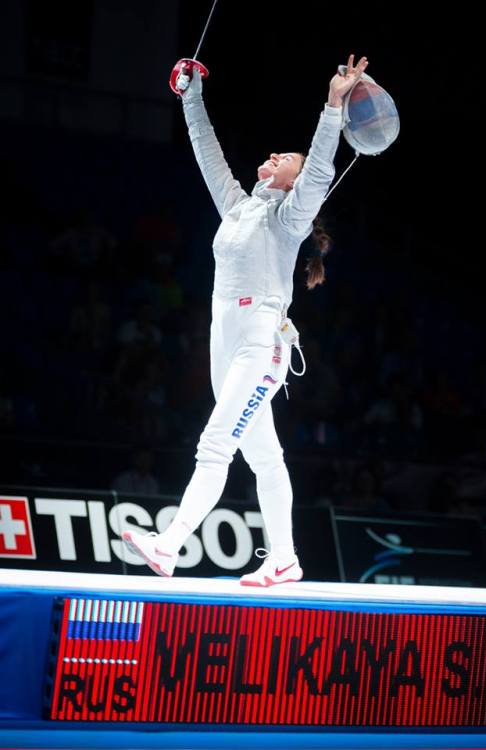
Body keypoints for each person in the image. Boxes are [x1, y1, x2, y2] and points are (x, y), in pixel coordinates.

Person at [122, 54, 369, 586]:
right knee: (265, 458)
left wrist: (332, 107)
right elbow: (207, 151)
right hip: (225, 341)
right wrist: (190, 94)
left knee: (215, 444)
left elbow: (321, 167)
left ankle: (169, 544)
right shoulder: (236, 207)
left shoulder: (289, 220)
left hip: (261, 344)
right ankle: (283, 559)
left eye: (287, 158)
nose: (275, 154)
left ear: (295, 184)